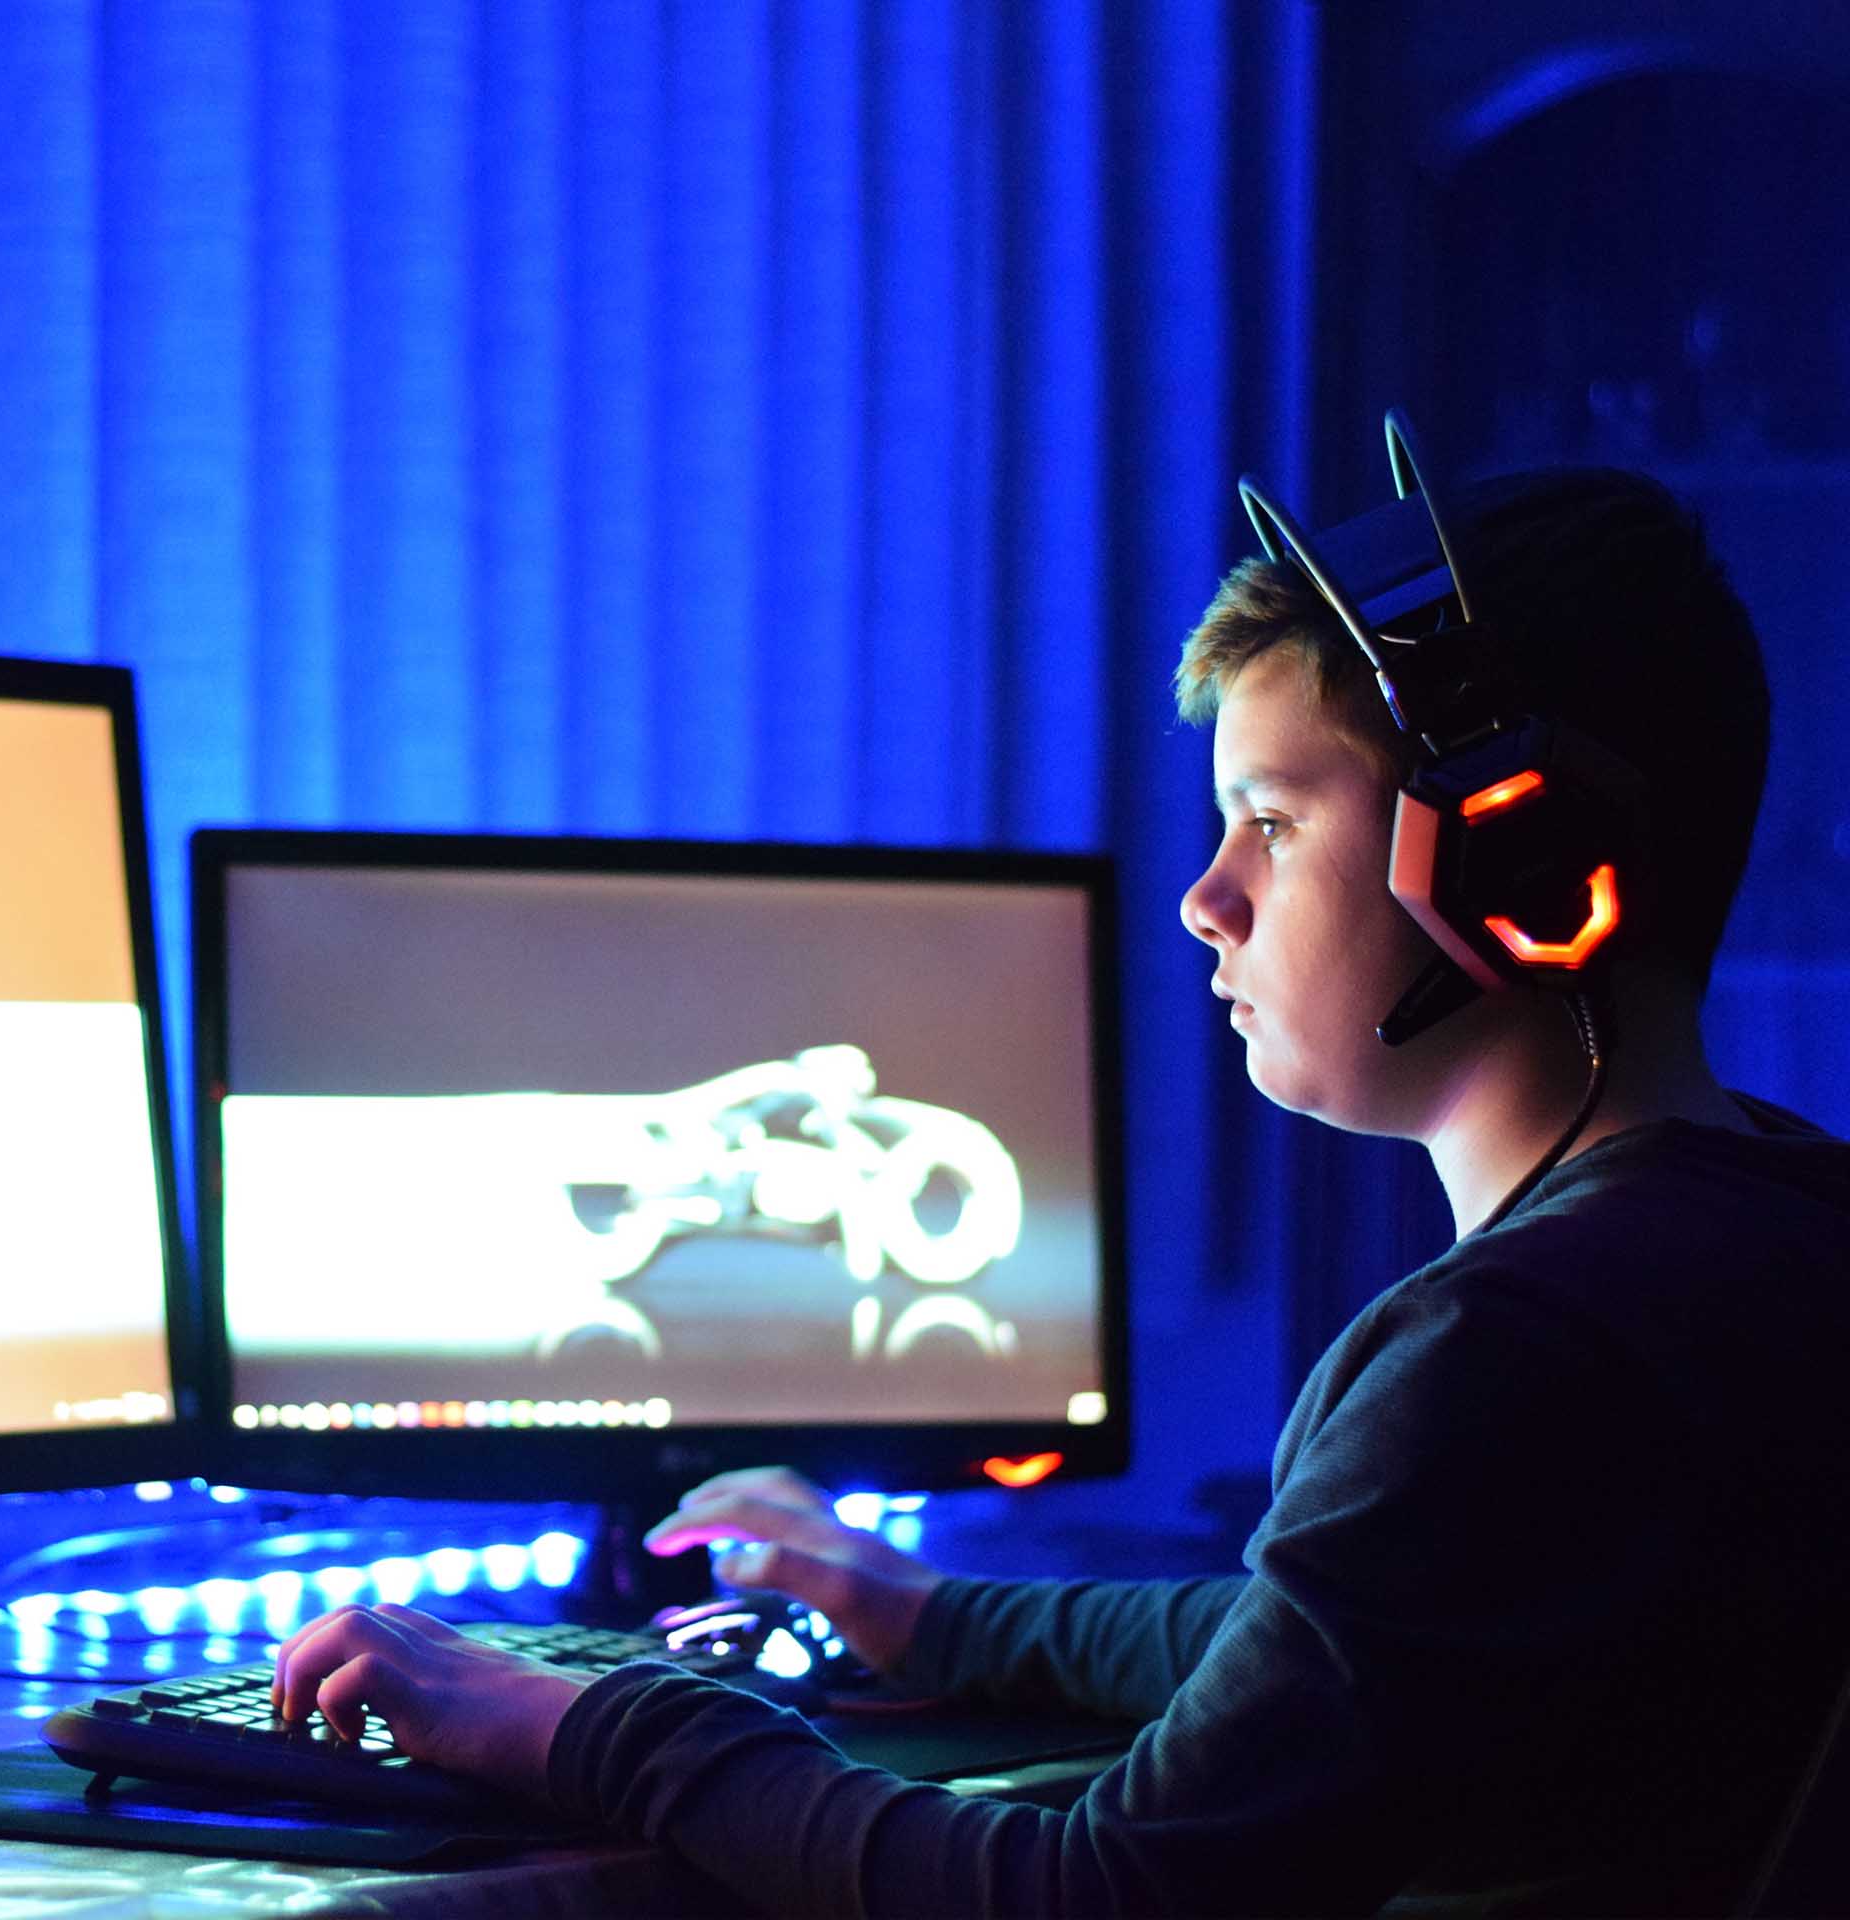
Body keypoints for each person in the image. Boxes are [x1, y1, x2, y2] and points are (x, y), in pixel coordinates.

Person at [269, 464, 1850, 1914]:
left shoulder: (1512, 1347)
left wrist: (598, 1725)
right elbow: (1307, 1649)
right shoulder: (1769, 1229)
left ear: (1516, 869)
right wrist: (927, 1612)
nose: (1205, 896)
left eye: (1273, 823)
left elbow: (1102, 1900)